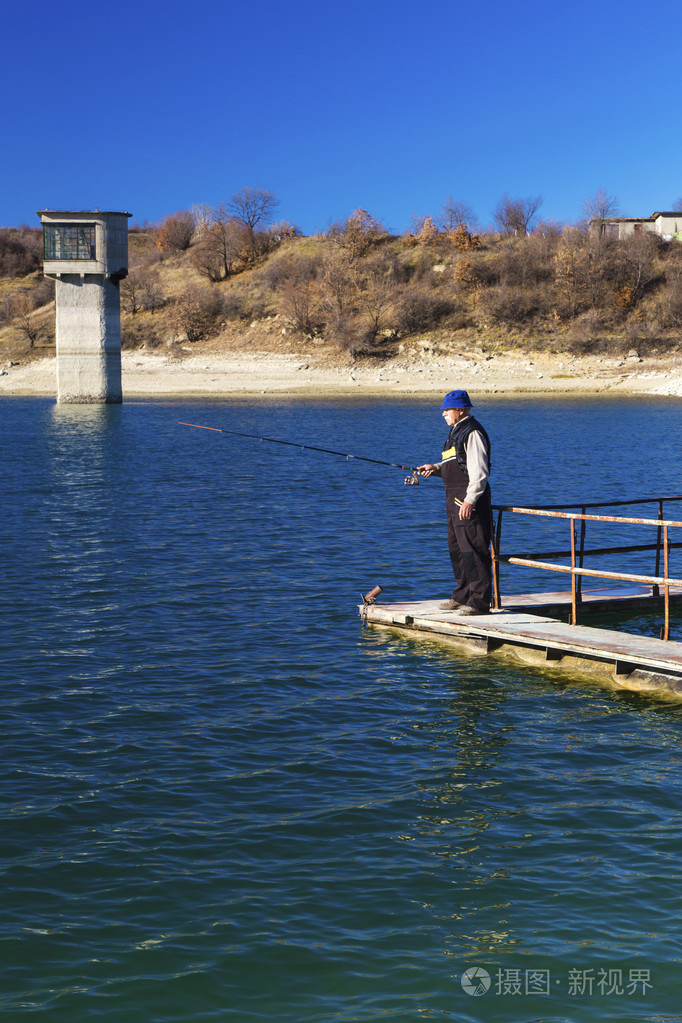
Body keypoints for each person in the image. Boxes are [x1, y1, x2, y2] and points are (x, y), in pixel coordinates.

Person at [417, 390, 493, 615]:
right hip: (453, 502)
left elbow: (479, 473)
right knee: (457, 550)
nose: (443, 414)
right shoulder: (455, 432)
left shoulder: (473, 432)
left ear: (461, 410)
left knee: (474, 550)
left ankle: (479, 603)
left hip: (469, 502)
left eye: (447, 410)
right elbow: (458, 465)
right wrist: (436, 468)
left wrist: (470, 500)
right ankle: (462, 595)